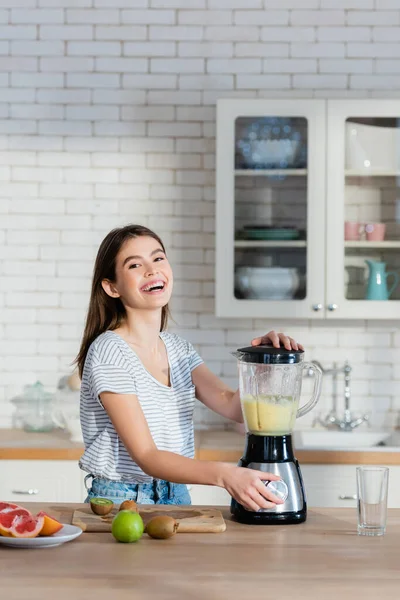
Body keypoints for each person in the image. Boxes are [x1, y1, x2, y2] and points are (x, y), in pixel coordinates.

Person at [76, 224, 304, 511]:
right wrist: (225, 475)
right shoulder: (110, 351)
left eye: (158, 258)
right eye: (135, 264)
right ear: (112, 287)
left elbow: (235, 407)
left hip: (176, 495)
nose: (151, 269)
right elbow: (146, 455)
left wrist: (267, 359)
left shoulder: (179, 350)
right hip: (121, 500)